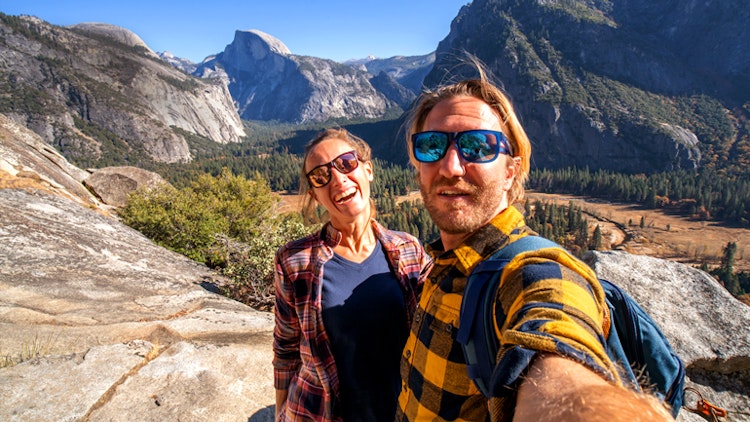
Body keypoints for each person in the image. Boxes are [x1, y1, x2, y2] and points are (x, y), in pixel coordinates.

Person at [395, 65, 674, 421]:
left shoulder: (531, 272)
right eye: (432, 146)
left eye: (477, 146)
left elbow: (557, 336)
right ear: (418, 163)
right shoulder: (441, 263)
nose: (450, 167)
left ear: (511, 169)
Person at [273, 128, 432, 421]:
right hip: (320, 413)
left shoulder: (409, 250)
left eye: (346, 163)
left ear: (368, 169)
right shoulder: (295, 262)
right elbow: (286, 349)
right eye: (321, 176)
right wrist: (280, 413)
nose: (338, 179)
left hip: (400, 411)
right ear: (315, 195)